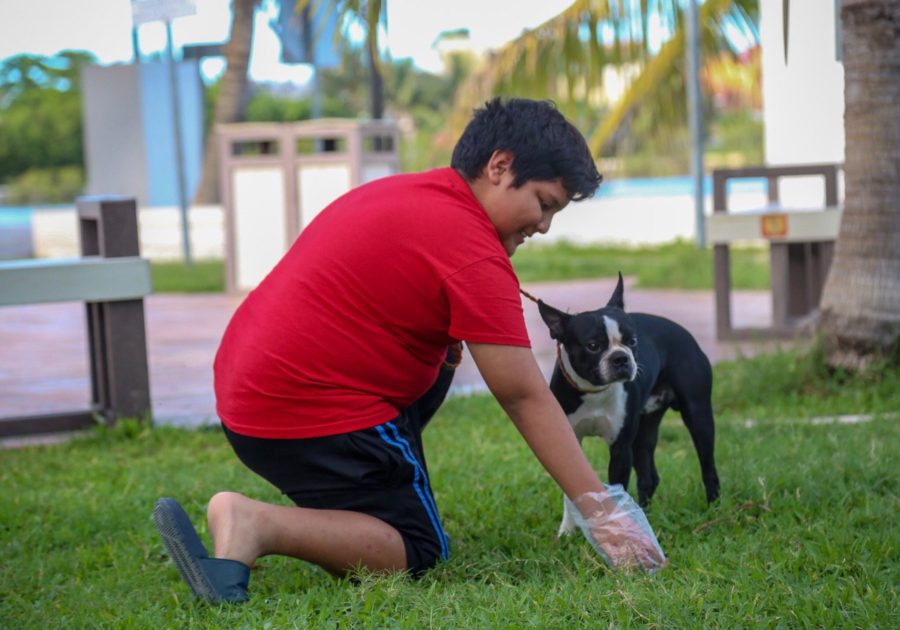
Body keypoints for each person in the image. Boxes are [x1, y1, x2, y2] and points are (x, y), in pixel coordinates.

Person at [153, 97, 666, 604]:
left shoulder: (415, 194)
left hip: (251, 399)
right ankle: (255, 524)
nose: (544, 225)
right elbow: (524, 395)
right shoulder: (471, 249)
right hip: (305, 413)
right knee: (420, 551)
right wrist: (604, 513)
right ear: (500, 166)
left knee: (443, 357)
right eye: (544, 203)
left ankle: (375, 501)